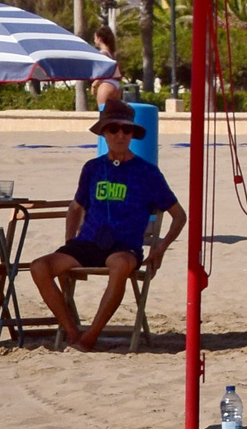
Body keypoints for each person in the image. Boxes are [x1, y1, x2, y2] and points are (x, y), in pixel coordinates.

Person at [29, 102, 186, 351]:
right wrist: (69, 241)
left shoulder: (148, 173)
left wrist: (160, 247)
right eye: (114, 129)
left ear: (133, 134)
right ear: (104, 133)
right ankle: (72, 331)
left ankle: (91, 335)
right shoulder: (92, 168)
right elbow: (75, 208)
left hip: (124, 245)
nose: (121, 135)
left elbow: (179, 215)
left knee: (120, 265)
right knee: (39, 267)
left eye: (127, 130)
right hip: (88, 242)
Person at [92, 24, 123, 110]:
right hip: (115, 85)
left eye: (95, 38)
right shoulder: (112, 54)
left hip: (106, 85)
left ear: (99, 38)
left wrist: (95, 83)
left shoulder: (103, 53)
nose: (94, 40)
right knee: (113, 115)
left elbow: (103, 71)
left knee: (103, 113)